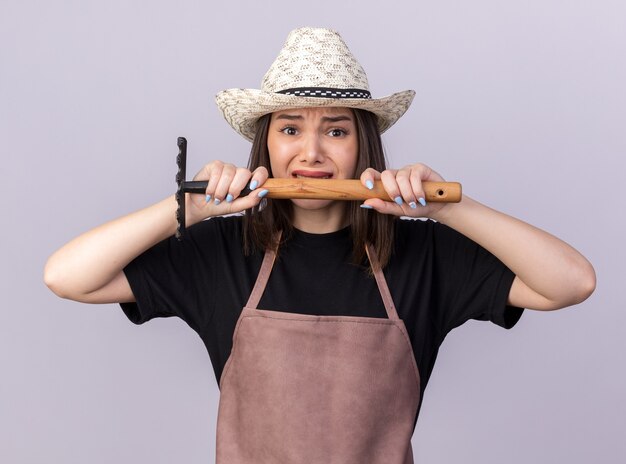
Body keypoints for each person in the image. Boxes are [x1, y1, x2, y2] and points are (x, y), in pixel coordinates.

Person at [44, 27, 595, 463]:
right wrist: (188, 208)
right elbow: (66, 276)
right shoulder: (218, 252)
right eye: (289, 130)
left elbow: (572, 282)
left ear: (363, 146)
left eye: (335, 130)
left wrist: (451, 207)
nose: (311, 153)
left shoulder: (424, 257)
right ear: (266, 143)